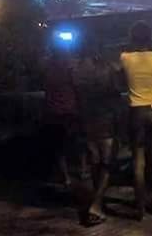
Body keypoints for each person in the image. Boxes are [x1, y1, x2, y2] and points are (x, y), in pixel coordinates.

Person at [120, 21, 152, 219]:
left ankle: (139, 206)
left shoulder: (125, 57)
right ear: (151, 38)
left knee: (137, 159)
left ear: (132, 38)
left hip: (135, 112)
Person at [76, 50, 125, 225]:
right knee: (107, 164)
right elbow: (116, 96)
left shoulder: (82, 71)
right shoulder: (108, 71)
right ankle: (96, 205)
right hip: (106, 122)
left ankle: (97, 201)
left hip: (89, 121)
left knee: (96, 163)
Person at [43, 47, 80, 188]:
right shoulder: (69, 69)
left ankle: (66, 176)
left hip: (54, 111)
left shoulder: (48, 70)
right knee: (76, 141)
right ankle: (82, 169)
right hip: (70, 110)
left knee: (59, 146)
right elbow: (77, 87)